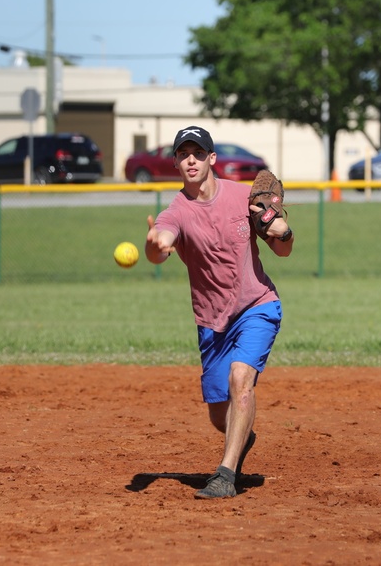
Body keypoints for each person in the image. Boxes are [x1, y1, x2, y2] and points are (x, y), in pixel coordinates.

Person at [144, 125, 294, 499]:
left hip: (257, 305)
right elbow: (161, 245)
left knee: (241, 377)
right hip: (212, 322)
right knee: (218, 413)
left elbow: (282, 249)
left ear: (212, 159)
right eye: (183, 154)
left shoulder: (243, 197)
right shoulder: (175, 211)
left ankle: (226, 475)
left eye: (198, 153)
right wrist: (154, 246)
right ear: (177, 162)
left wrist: (283, 231)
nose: (190, 160)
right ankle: (242, 434)